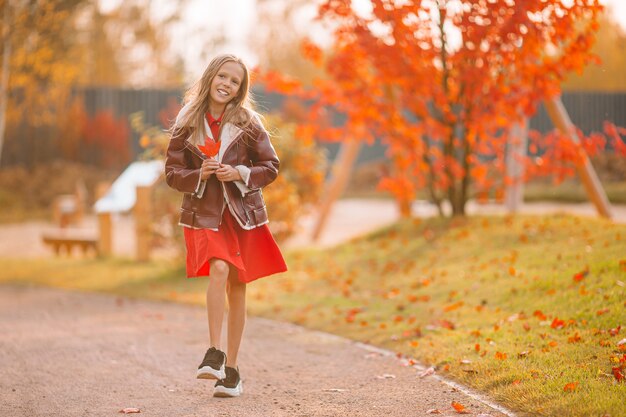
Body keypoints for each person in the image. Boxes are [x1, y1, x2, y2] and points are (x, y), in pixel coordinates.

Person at [164, 54, 287, 398]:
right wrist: (197, 175)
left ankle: (231, 371)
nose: (227, 84)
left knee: (238, 285)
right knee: (218, 268)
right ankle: (214, 352)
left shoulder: (249, 122)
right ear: (210, 77)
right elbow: (172, 173)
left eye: (235, 81)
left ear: (239, 89)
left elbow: (271, 165)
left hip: (242, 215)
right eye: (222, 76)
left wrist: (240, 173)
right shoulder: (187, 122)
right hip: (205, 215)